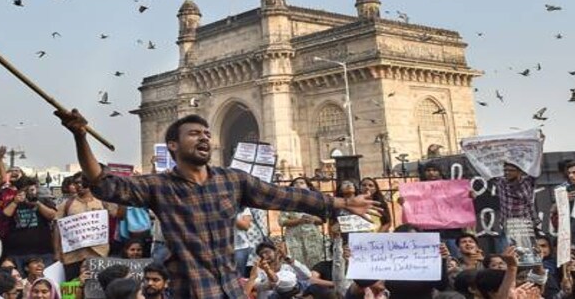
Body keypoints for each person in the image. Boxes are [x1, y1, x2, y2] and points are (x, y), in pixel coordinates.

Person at [57, 110, 379, 299]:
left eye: (207, 134)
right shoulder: (160, 186)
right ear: (173, 145)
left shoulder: (232, 180)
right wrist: (80, 137)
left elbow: (285, 196)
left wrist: (339, 202)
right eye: (194, 133)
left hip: (229, 290)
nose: (204, 138)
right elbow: (103, 182)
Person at [2, 176, 56, 272]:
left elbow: (52, 215)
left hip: (42, 252)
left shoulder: (43, 200)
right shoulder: (14, 202)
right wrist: (15, 202)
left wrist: (37, 204)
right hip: (18, 253)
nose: (30, 193)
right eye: (26, 190)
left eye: (32, 190)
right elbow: (5, 215)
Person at [279, 177, 326, 268]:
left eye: (302, 183)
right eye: (295, 183)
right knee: (296, 261)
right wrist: (299, 221)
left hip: (312, 236)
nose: (298, 185)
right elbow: (282, 221)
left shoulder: (315, 202)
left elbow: (322, 220)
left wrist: (313, 219)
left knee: (315, 261)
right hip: (294, 237)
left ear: (308, 187)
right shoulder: (288, 203)